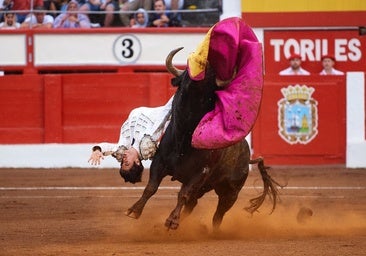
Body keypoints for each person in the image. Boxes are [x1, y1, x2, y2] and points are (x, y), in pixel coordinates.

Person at [88, 96, 173, 183]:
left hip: (144, 113)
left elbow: (107, 147)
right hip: (159, 114)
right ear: (137, 162)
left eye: (122, 163)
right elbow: (162, 118)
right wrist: (176, 98)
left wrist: (97, 150)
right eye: (127, 163)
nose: (124, 160)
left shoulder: (123, 148)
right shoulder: (147, 146)